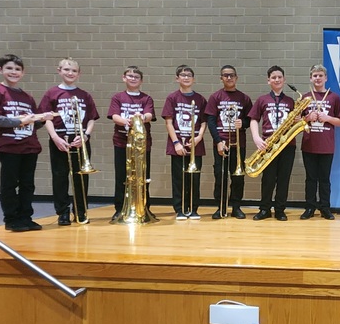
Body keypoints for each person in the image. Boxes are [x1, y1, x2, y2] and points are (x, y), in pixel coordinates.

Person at [0, 54, 55, 232]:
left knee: (27, 184)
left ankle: (25, 217)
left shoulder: (27, 97)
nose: (13, 72)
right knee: (9, 183)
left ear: (23, 73)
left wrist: (43, 119)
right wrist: (18, 121)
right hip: (9, 146)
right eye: (9, 68)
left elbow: (34, 123)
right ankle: (11, 218)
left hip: (29, 146)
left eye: (17, 69)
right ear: (0, 70)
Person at [39, 58, 100, 226]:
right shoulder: (51, 93)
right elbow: (46, 118)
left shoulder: (84, 95)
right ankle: (63, 212)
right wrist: (55, 138)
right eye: (66, 69)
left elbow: (91, 119)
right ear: (59, 71)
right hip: (60, 139)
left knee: (81, 177)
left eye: (73, 71)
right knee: (60, 177)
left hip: (80, 140)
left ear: (79, 74)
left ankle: (81, 211)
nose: (70, 73)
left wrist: (86, 135)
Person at [204, 65, 253, 220]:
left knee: (238, 177)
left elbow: (250, 120)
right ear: (221, 78)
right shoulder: (215, 97)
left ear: (236, 77)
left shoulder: (244, 98)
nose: (229, 78)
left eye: (231, 75)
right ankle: (221, 207)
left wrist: (243, 123)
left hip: (239, 144)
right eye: (225, 75)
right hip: (222, 143)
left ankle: (236, 207)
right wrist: (218, 141)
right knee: (221, 176)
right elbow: (211, 121)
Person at [108, 66, 156, 221]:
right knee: (122, 176)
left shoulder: (146, 98)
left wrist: (140, 118)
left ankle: (144, 208)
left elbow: (149, 114)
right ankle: (120, 209)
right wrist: (127, 121)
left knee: (143, 176)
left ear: (141, 80)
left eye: (136, 76)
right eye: (130, 76)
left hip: (142, 145)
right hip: (122, 142)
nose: (133, 78)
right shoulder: (118, 97)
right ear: (124, 78)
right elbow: (114, 115)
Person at [249, 65, 297, 221]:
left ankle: (280, 210)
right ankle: (264, 209)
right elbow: (254, 119)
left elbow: (299, 121)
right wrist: (256, 138)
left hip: (287, 144)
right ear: (268, 80)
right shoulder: (262, 99)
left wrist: (299, 120)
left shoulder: (291, 101)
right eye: (274, 77)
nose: (277, 80)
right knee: (268, 178)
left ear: (284, 80)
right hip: (268, 143)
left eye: (280, 77)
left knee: (284, 178)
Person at [300, 64, 340, 220]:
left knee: (325, 179)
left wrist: (327, 118)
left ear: (325, 78)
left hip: (326, 146)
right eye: (315, 76)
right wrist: (307, 118)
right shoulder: (305, 98)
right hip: (309, 144)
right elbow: (296, 121)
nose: (317, 78)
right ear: (310, 78)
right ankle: (309, 208)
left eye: (320, 75)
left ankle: (325, 208)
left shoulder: (334, 97)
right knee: (310, 178)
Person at [162, 65, 207, 220]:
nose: (186, 77)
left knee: (194, 179)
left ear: (193, 79)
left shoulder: (201, 99)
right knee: (178, 178)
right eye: (182, 75)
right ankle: (180, 209)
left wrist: (199, 137)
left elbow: (203, 122)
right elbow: (169, 122)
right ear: (177, 78)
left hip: (196, 144)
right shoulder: (172, 98)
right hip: (178, 144)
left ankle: (193, 208)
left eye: (189, 75)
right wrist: (176, 143)